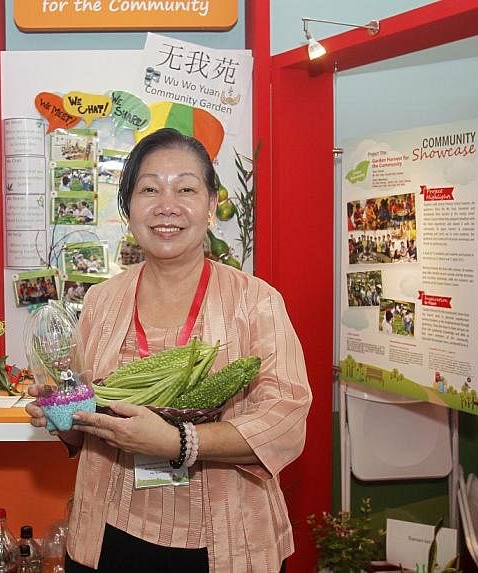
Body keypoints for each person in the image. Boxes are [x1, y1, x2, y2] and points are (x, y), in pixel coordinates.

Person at [25, 128, 312, 573]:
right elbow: (83, 429)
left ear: (211, 206)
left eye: (186, 189)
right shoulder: (101, 301)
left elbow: (285, 421)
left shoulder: (255, 301)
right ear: (129, 208)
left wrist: (181, 441)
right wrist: (62, 417)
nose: (167, 206)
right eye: (149, 189)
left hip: (223, 541)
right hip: (110, 535)